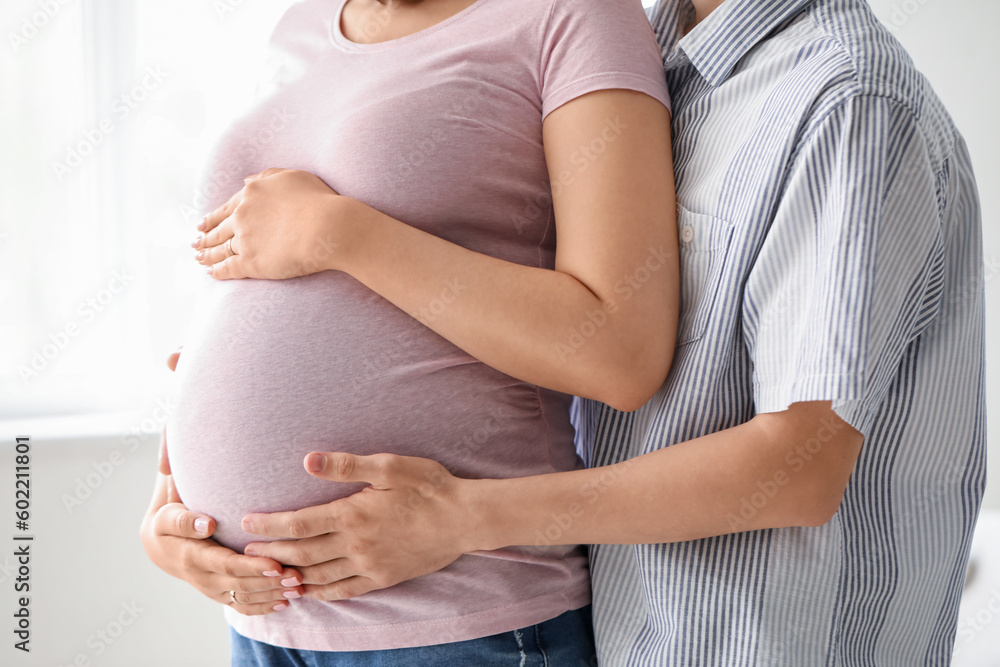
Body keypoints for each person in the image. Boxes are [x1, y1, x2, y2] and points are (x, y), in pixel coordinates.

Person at [151, 0, 987, 664]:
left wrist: (468, 517)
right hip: (595, 616)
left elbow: (799, 462)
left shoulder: (848, 101)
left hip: (748, 635)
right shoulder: (674, 55)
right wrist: (185, 490)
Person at [141, 0, 678, 663]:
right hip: (266, 625)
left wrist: (342, 233)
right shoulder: (300, 24)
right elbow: (250, 279)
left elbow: (620, 349)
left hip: (457, 620)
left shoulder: (571, 16)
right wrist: (175, 508)